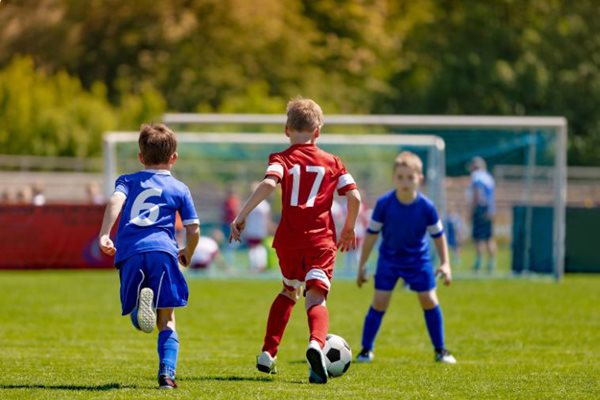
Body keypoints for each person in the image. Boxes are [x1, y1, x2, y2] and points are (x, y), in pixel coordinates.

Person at [229, 97, 361, 384]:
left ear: (287, 129)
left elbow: (268, 183)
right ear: (318, 132)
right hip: (320, 241)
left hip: (288, 239)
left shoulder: (281, 158)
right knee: (316, 296)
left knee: (289, 290)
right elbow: (354, 195)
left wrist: (242, 214)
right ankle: (316, 342)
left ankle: (268, 353)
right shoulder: (332, 162)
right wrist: (349, 228)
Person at [98, 123, 200, 389]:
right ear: (174, 158)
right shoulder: (179, 188)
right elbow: (194, 228)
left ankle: (137, 311)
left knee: (137, 306)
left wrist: (104, 234)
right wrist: (187, 252)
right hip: (163, 252)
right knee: (167, 319)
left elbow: (115, 202)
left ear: (140, 157)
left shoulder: (127, 180)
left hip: (130, 251)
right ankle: (167, 375)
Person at [356, 151, 456, 364]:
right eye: (400, 177)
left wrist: (446, 264)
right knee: (380, 301)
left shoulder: (426, 207)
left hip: (418, 261)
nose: (405, 182)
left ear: (419, 179)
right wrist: (362, 265)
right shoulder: (384, 204)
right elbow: (371, 235)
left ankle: (441, 350)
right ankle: (366, 350)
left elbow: (439, 236)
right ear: (394, 178)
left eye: (410, 177)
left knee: (429, 300)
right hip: (389, 260)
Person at [468, 156, 496, 272]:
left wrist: (471, 210)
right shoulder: (489, 177)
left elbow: (477, 194)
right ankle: (491, 263)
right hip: (489, 209)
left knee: (478, 237)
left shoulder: (476, 177)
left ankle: (479, 262)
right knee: (489, 238)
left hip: (480, 208)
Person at [243, 181, 273, 272]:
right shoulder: (265, 205)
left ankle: (255, 266)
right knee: (259, 247)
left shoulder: (250, 203)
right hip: (260, 229)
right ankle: (260, 265)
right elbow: (268, 218)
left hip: (253, 229)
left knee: (254, 248)